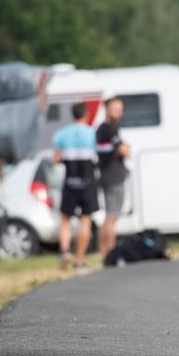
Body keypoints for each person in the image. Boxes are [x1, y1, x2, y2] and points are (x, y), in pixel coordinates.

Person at [52, 102, 98, 273]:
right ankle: (79, 261)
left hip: (70, 182)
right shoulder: (92, 134)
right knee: (85, 220)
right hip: (88, 182)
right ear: (86, 114)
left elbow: (55, 159)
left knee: (65, 219)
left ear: (73, 114)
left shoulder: (62, 134)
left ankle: (65, 251)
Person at [95, 97, 130, 261]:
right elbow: (124, 151)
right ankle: (108, 254)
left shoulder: (102, 129)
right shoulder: (109, 129)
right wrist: (126, 148)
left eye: (121, 109)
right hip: (113, 177)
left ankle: (106, 254)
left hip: (107, 175)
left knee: (111, 217)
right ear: (107, 109)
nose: (120, 112)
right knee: (111, 217)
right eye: (116, 108)